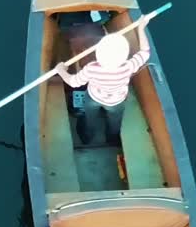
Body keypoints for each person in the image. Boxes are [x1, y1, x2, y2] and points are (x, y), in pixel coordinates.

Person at [55, 14, 152, 146]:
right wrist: (141, 28)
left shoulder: (92, 68)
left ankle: (86, 137)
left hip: (94, 98)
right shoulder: (128, 67)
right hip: (116, 101)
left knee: (89, 119)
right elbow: (145, 52)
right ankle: (112, 138)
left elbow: (73, 82)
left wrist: (61, 70)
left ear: (98, 54)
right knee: (115, 121)